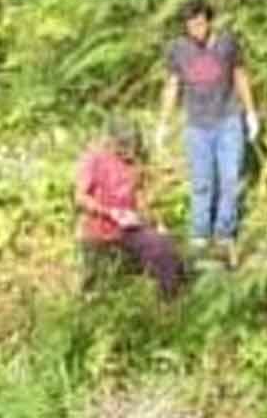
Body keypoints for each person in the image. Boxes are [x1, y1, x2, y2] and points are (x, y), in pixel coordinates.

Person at [155, 0, 260, 267]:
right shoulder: (178, 49)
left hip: (227, 119)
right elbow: (172, 85)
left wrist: (250, 113)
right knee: (202, 182)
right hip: (196, 125)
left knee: (229, 178)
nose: (196, 30)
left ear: (209, 21)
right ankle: (200, 237)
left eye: (200, 23)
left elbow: (239, 75)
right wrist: (164, 123)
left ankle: (224, 235)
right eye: (191, 25)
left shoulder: (227, 43)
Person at [75, 116, 186, 299]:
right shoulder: (94, 160)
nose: (129, 151)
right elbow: (80, 197)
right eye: (125, 145)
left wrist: (155, 223)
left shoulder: (134, 165)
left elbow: (140, 199)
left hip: (129, 227)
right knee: (96, 277)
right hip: (99, 229)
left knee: (163, 246)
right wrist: (109, 211)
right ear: (112, 142)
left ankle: (170, 299)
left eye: (132, 146)